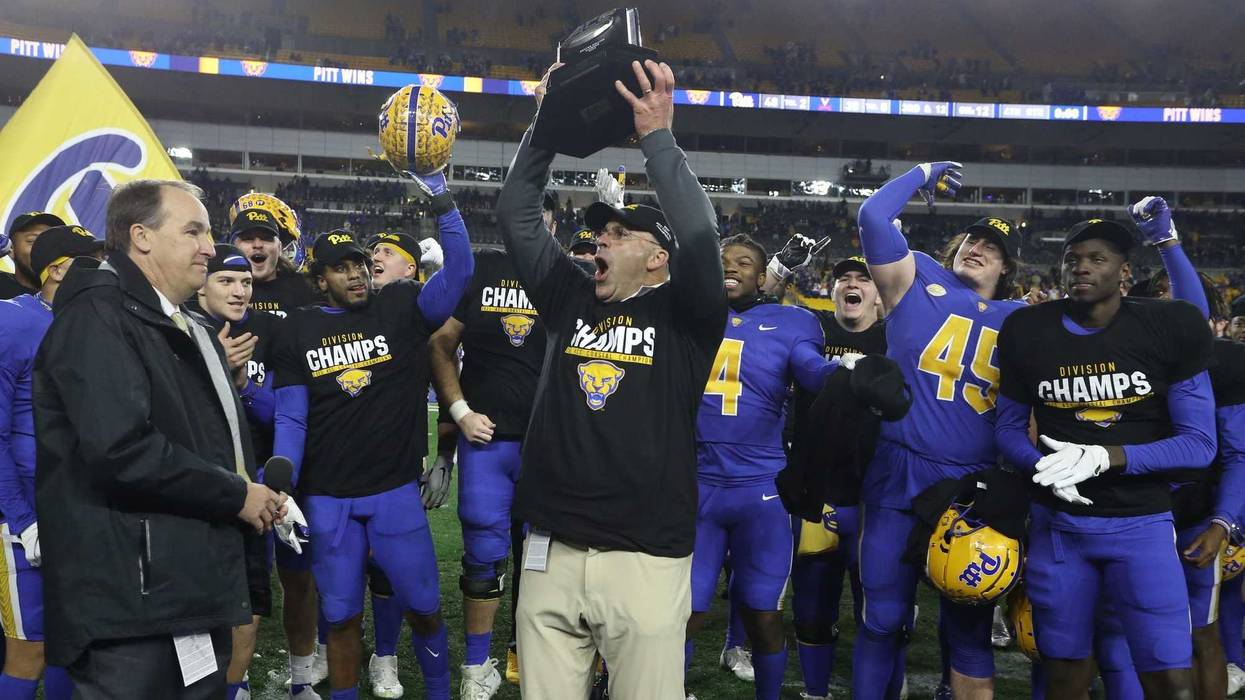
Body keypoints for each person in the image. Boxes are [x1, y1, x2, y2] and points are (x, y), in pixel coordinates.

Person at [495, 59, 727, 700]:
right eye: (598, 231)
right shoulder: (569, 297)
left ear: (658, 258)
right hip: (550, 551)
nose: (599, 238)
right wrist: (547, 125)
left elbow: (702, 235)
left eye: (619, 233)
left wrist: (657, 136)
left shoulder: (686, 317)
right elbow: (516, 211)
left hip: (645, 558)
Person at [32, 179, 286, 698]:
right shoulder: (100, 315)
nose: (211, 248)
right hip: (133, 601)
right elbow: (120, 449)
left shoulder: (174, 322)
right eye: (193, 230)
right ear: (141, 237)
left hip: (176, 589)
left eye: (209, 233)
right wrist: (236, 494)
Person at [269, 164, 473, 700]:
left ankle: (439, 692)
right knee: (337, 619)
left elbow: (459, 274)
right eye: (341, 267)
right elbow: (291, 415)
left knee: (426, 609)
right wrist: (282, 477)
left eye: (360, 263)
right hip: (328, 495)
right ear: (320, 279)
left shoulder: (401, 305)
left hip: (393, 490)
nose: (357, 273)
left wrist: (442, 200)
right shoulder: (298, 329)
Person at [994, 217, 1217, 698]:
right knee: (1063, 678)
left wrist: (1105, 457)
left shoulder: (1165, 326)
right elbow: (1008, 429)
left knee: (1171, 682)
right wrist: (1045, 467)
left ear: (1124, 271)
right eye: (1072, 259)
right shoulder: (1027, 330)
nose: (1082, 267)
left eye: (1098, 258)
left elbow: (1200, 444)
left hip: (1142, 527)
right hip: (1060, 528)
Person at [853, 161, 1021, 700]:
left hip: (970, 487)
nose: (977, 247)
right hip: (896, 471)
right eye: (971, 239)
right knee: (882, 617)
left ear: (1007, 268)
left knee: (968, 629)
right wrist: (922, 172)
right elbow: (873, 214)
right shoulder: (917, 276)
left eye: (991, 248)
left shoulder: (1023, 318)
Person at [685, 233, 836, 700]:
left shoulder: (792, 323)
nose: (730, 268)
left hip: (761, 492)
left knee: (764, 614)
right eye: (723, 261)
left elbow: (811, 370)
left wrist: (845, 372)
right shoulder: (688, 313)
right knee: (683, 611)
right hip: (696, 486)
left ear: (761, 275)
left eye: (743, 262)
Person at [428, 235, 549, 700]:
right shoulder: (482, 270)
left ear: (551, 226)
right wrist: (458, 413)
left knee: (546, 563)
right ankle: (476, 666)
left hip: (548, 449)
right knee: (483, 555)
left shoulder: (563, 275)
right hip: (489, 441)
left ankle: (535, 656)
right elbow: (440, 345)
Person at [227, 194, 326, 696]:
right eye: (247, 236)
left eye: (265, 237)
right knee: (237, 579)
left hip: (292, 450)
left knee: (299, 572)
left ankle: (305, 676)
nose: (256, 244)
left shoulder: (304, 290)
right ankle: (233, 680)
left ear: (281, 244)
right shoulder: (206, 290)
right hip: (232, 456)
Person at [0, 225, 103, 700]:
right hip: (24, 515)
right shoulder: (12, 322)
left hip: (82, 508)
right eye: (91, 262)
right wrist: (21, 518)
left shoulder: (96, 322)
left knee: (75, 645)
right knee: (30, 650)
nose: (103, 271)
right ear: (58, 268)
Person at [782, 255, 892, 700]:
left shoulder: (898, 338)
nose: (851, 284)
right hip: (818, 492)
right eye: (842, 277)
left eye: (862, 278)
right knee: (811, 604)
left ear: (880, 295)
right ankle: (815, 691)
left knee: (883, 611)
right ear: (831, 292)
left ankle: (885, 687)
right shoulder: (813, 329)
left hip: (877, 494)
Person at [192, 243, 290, 700]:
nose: (239, 291)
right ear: (201, 288)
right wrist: (211, 367)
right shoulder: (180, 334)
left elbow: (275, 415)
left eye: (245, 282)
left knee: (249, 599)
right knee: (197, 602)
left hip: (254, 489)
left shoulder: (266, 334)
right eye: (226, 281)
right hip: (196, 491)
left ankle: (235, 687)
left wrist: (242, 383)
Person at [0, 212, 65, 299]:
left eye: (53, 241)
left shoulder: (76, 299)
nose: (45, 248)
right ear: (11, 249)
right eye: (33, 241)